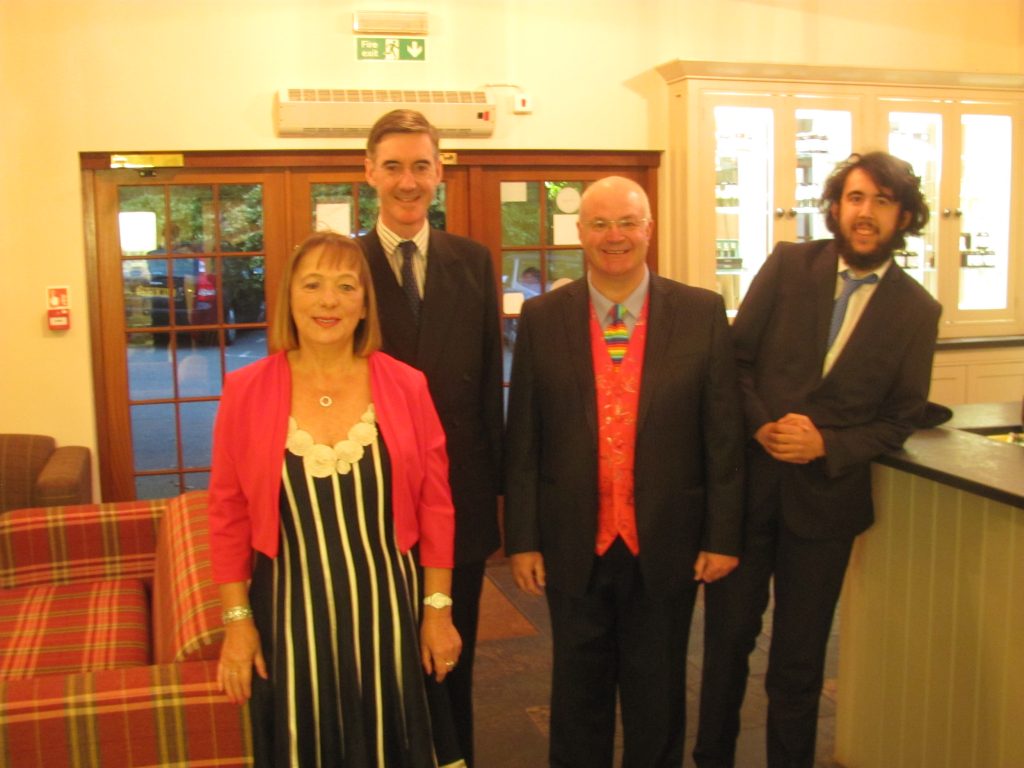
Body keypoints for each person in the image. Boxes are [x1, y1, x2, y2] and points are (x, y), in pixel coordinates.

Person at [694, 151, 942, 768]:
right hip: (748, 494)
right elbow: (736, 361)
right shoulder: (787, 265)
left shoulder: (918, 312)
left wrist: (827, 443)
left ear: (904, 216)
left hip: (826, 509)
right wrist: (764, 428)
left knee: (800, 665)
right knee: (725, 646)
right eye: (856, 198)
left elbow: (901, 416)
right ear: (835, 207)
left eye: (882, 202)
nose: (866, 213)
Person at [504, 175, 745, 767]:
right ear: (580, 233)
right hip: (571, 540)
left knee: (658, 692)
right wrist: (524, 539)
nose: (615, 237)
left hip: (668, 538)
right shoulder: (541, 318)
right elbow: (524, 440)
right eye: (601, 224)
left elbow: (723, 436)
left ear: (649, 229)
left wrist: (721, 536)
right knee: (577, 694)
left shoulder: (701, 312)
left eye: (628, 223)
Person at [208, 231, 465, 767]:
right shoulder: (245, 390)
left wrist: (437, 611)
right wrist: (237, 622)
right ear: (290, 298)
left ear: (365, 303)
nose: (329, 301)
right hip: (290, 619)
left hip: (388, 613)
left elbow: (436, 508)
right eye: (314, 285)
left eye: (346, 287)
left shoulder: (407, 386)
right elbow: (228, 514)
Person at [359, 108, 503, 766]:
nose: (408, 181)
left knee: (455, 653)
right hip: (370, 503)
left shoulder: (473, 261)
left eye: (421, 166)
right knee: (385, 656)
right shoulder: (345, 265)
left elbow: (485, 396)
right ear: (369, 173)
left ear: (440, 173)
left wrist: (499, 501)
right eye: (393, 166)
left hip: (459, 500)